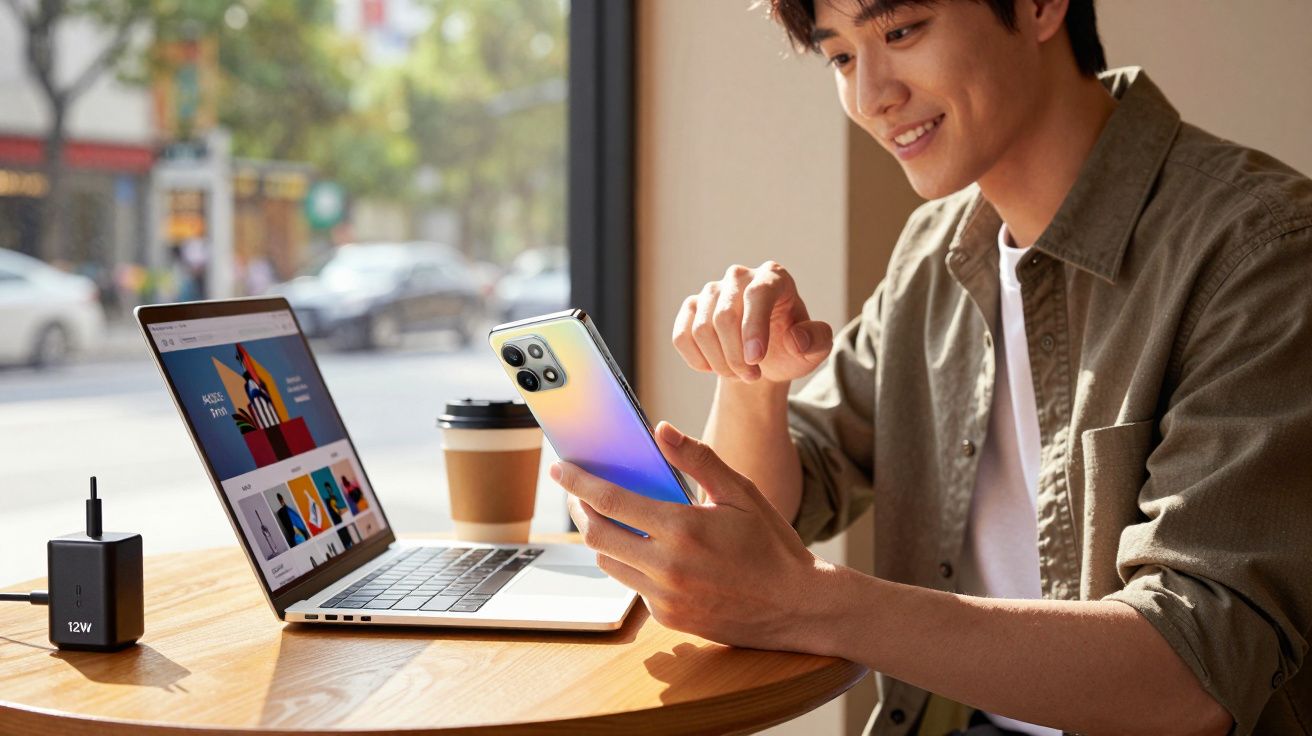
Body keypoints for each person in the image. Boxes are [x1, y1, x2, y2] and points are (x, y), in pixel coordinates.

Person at [549, 1, 1312, 734]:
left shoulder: (1262, 250)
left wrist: (810, 603)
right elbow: (779, 507)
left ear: (1041, 5)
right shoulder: (933, 251)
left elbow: (1198, 670)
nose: (871, 95)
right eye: (841, 55)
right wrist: (754, 381)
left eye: (903, 29)